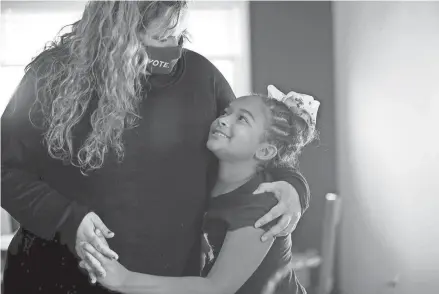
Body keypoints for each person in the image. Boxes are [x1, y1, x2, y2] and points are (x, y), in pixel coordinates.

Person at [1, 2, 310, 293]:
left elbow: (261, 145)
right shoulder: (51, 77)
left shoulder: (203, 77)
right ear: (115, 31)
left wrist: (295, 188)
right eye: (161, 37)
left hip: (166, 281)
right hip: (55, 277)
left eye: (180, 36)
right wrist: (67, 219)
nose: (173, 52)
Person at [79, 85, 319, 294]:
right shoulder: (209, 174)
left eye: (242, 119)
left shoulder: (260, 205)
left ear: (265, 151)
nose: (223, 119)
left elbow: (217, 288)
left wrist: (124, 279)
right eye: (227, 112)